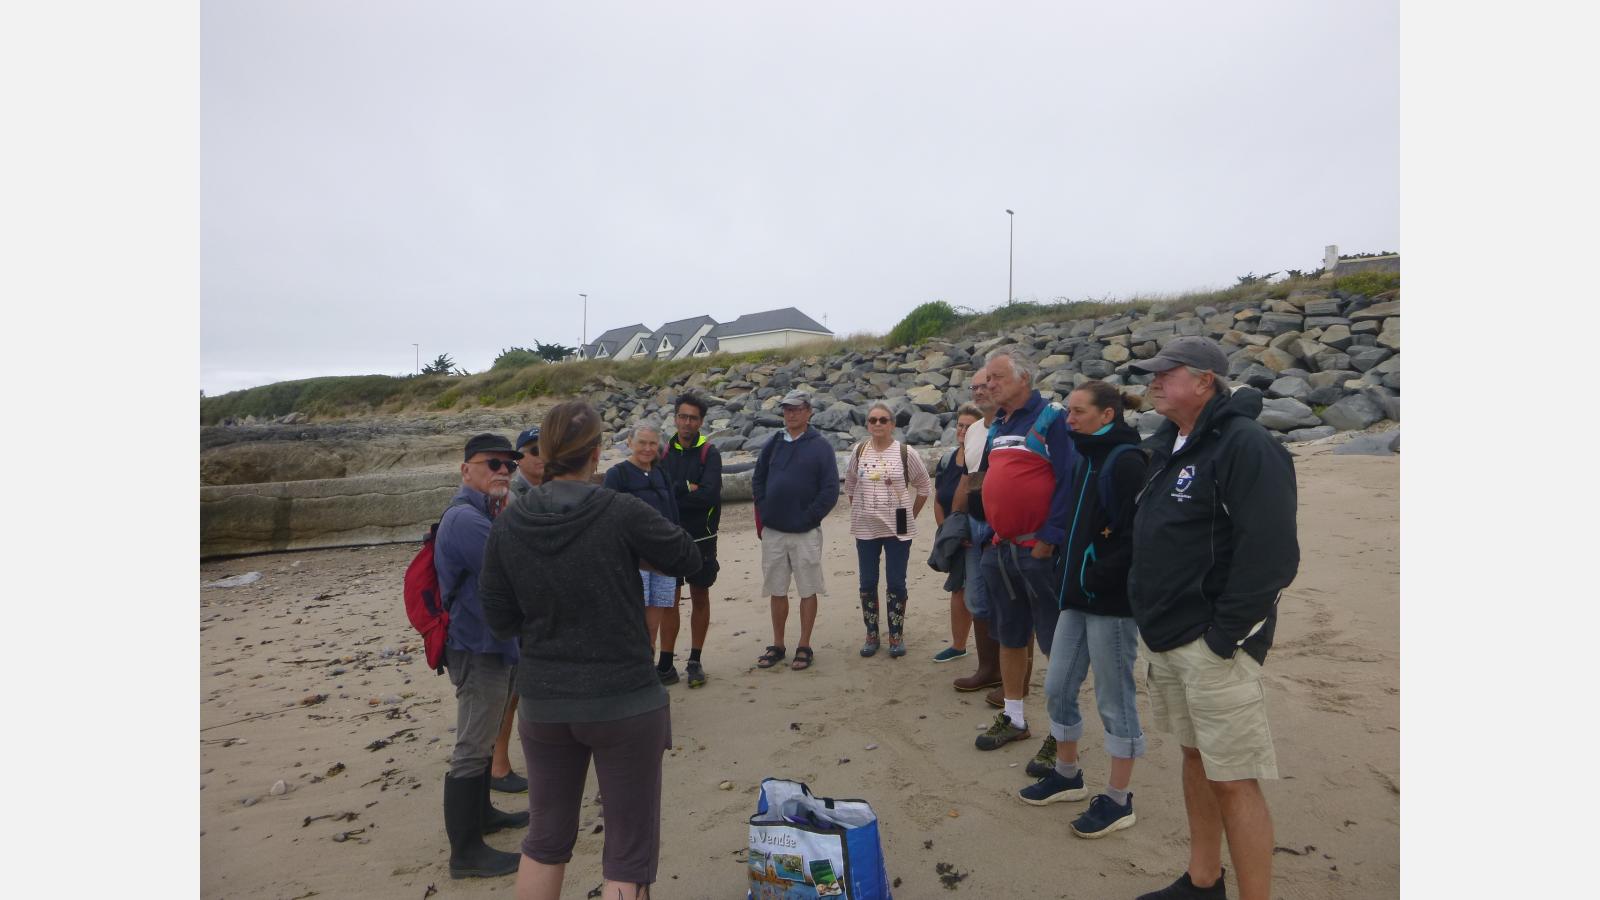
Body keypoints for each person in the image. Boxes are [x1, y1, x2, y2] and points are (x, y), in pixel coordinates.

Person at [480, 401, 701, 900]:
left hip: (545, 702)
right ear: (597, 453)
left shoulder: (508, 525)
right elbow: (687, 556)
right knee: (626, 849)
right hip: (623, 699)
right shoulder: (619, 511)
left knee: (545, 839)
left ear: (545, 453)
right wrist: (636, 554)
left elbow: (499, 619)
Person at [1125, 337, 1299, 900]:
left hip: (1212, 644)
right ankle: (1203, 881)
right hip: (1167, 634)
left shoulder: (1246, 445)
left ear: (1204, 382)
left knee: (1234, 777)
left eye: (1164, 374)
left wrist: (1224, 636)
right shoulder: (1170, 443)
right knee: (1196, 756)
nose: (1153, 382)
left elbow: (1272, 555)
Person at [1016, 381, 1149, 841]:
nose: (1067, 419)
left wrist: (1095, 573)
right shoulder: (1087, 457)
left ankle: (1118, 799)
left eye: (1076, 412)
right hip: (1075, 595)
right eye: (1067, 412)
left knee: (1115, 699)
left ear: (1106, 415)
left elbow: (1136, 537)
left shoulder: (1126, 461)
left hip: (1110, 603)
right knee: (1057, 687)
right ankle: (1069, 774)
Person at [433, 433, 531, 879]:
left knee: (487, 733)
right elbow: (512, 566)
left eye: (508, 465)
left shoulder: (485, 513)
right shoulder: (464, 520)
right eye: (492, 464)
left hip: (494, 643)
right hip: (475, 646)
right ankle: (466, 853)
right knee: (472, 746)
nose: (503, 472)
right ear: (466, 469)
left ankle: (484, 816)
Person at [973, 349, 1080, 752]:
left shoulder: (1052, 418)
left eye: (997, 377)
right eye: (987, 378)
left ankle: (1060, 730)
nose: (989, 384)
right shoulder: (999, 424)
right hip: (1001, 550)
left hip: (1037, 551)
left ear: (1024, 378)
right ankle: (1014, 717)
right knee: (1011, 638)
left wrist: (1049, 538)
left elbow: (1069, 480)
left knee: (1056, 643)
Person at [750, 389, 840, 672]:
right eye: (787, 409)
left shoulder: (821, 446)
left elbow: (830, 490)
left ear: (808, 411)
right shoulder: (774, 443)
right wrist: (765, 511)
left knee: (807, 588)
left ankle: (804, 644)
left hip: (805, 532)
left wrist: (809, 517)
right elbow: (758, 479)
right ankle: (778, 644)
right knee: (777, 589)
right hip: (774, 531)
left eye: (797, 409)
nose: (791, 413)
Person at [844, 401, 932, 658]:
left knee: (896, 582)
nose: (878, 424)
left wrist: (909, 516)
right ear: (867, 425)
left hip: (899, 527)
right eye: (873, 420)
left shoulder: (905, 452)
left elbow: (924, 486)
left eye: (884, 420)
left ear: (892, 424)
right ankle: (872, 635)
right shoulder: (859, 450)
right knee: (867, 582)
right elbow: (850, 484)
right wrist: (859, 509)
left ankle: (896, 636)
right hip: (865, 526)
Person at [602, 422, 682, 682]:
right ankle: (633, 675)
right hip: (633, 563)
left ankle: (649, 674)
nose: (648, 449)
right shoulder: (618, 474)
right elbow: (608, 519)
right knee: (633, 622)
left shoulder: (661, 473)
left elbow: (673, 515)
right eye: (642, 443)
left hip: (663, 561)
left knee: (653, 623)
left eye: (652, 444)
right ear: (630, 443)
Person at [490, 424, 543, 795]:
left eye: (546, 450)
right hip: (519, 605)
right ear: (519, 457)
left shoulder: (543, 490)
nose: (542, 457)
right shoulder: (514, 495)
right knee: (510, 687)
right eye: (534, 450)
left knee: (526, 684)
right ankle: (497, 763)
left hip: (536, 602)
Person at [658, 393, 723, 688]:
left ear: (700, 422)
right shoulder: (662, 453)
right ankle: (666, 663)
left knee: (700, 596)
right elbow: (660, 491)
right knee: (668, 601)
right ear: (675, 418)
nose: (687, 423)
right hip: (668, 537)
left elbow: (710, 494)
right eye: (682, 417)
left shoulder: (710, 453)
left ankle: (695, 660)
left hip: (702, 537)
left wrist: (676, 494)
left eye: (693, 418)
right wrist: (687, 487)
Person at [951, 367, 1003, 698]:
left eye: (986, 385)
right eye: (974, 387)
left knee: (1012, 599)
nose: (980, 391)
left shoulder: (1017, 426)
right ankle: (988, 670)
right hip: (975, 522)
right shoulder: (973, 432)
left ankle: (1016, 678)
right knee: (978, 599)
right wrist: (957, 520)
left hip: (1005, 524)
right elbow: (969, 479)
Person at [929, 402, 983, 663]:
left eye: (969, 426)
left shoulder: (983, 458)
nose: (962, 430)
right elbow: (939, 498)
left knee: (980, 590)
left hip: (978, 535)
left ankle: (994, 646)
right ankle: (958, 645)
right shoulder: (948, 459)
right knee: (957, 589)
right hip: (953, 535)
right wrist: (946, 531)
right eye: (960, 425)